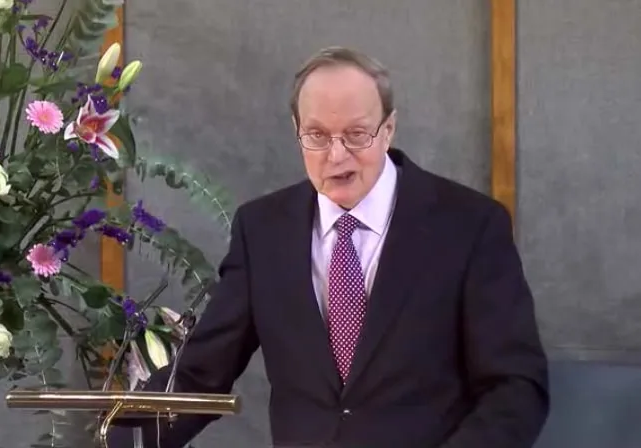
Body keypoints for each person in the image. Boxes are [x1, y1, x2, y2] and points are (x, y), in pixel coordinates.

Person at [108, 46, 549, 448]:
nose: (336, 156)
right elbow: (199, 376)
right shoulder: (262, 231)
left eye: (356, 134)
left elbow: (516, 386)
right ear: (296, 129)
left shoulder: (468, 225)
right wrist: (119, 441)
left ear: (388, 128)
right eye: (317, 135)